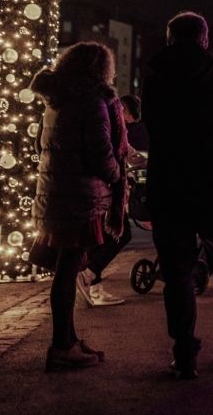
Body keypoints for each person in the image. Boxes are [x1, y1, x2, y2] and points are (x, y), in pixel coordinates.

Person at [143, 11, 213, 379]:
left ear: (170, 38)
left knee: (177, 276)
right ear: (205, 39)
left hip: (171, 188)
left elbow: (154, 131)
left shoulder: (155, 79)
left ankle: (184, 354)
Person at [30, 42, 126, 371]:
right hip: (82, 197)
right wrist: (116, 175)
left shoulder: (56, 101)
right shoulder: (92, 102)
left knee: (66, 270)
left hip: (57, 192)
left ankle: (68, 339)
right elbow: (100, 152)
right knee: (68, 271)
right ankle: (62, 346)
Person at [75, 94, 149, 307]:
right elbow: (112, 151)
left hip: (96, 188)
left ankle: (94, 285)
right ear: (122, 108)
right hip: (102, 188)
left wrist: (134, 157)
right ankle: (88, 276)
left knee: (100, 236)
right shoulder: (108, 121)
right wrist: (121, 170)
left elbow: (123, 149)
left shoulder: (100, 116)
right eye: (127, 118)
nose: (127, 123)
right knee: (120, 233)